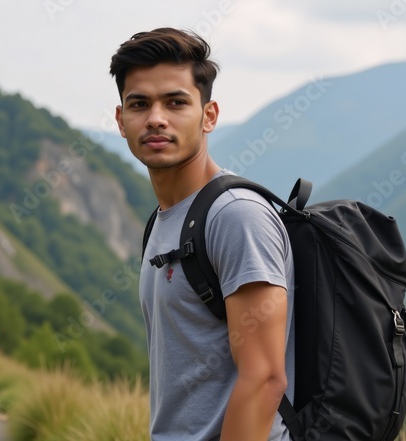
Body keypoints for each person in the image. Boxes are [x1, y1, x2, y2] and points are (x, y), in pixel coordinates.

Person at [110, 28, 295, 441]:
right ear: (121, 121)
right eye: (139, 104)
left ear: (209, 115)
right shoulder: (165, 219)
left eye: (176, 102)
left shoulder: (235, 217)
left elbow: (265, 378)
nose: (156, 118)